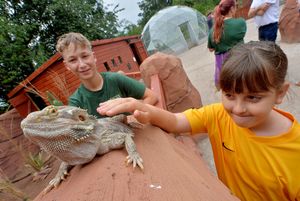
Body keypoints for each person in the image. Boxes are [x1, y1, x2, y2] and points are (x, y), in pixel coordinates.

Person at [97, 41, 300, 201]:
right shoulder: (219, 114)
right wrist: (142, 108)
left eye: (253, 97)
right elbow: (177, 122)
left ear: (280, 93)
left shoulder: (295, 151)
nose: (237, 109)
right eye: (229, 95)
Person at [56, 32, 158, 118]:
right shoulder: (76, 102)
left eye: (85, 56)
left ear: (93, 57)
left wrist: (134, 115)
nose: (82, 65)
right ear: (67, 66)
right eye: (73, 60)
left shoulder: (116, 79)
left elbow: (151, 96)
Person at [208, 0, 246, 90]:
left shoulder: (212, 31)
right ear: (232, 9)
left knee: (230, 89)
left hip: (223, 66)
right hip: (239, 61)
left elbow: (211, 49)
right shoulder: (240, 23)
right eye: (235, 6)